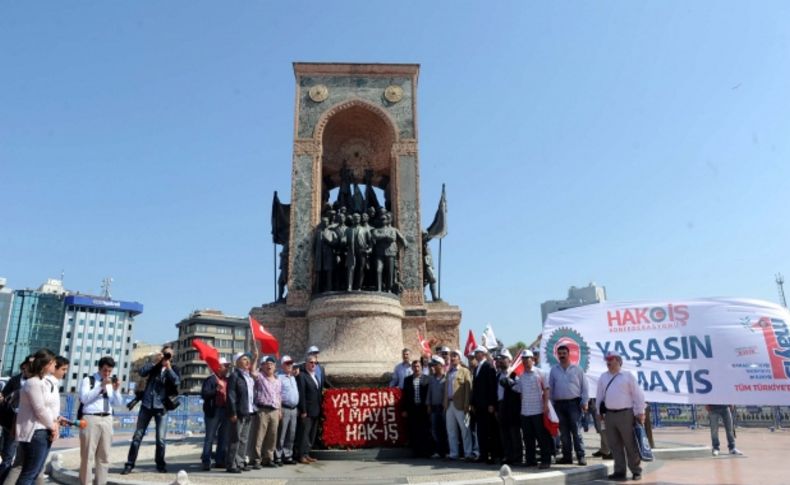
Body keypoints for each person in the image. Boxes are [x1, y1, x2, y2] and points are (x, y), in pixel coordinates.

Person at [122, 345, 180, 475]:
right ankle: (129, 464)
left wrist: (169, 368)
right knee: (137, 436)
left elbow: (176, 381)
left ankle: (160, 464)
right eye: (165, 353)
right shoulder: (155, 366)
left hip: (162, 407)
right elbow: (142, 372)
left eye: (169, 355)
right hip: (147, 405)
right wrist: (155, 361)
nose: (166, 356)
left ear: (173, 357)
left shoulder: (174, 368)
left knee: (160, 439)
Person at [596, 351, 645, 481]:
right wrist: (598, 413)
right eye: (607, 360)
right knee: (615, 445)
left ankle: (636, 470)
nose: (608, 362)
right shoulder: (603, 377)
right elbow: (599, 396)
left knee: (630, 444)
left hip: (626, 414)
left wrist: (640, 412)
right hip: (610, 415)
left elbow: (638, 395)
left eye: (610, 359)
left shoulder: (627, 375)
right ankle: (619, 471)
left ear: (618, 360)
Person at [15, 349, 59, 485]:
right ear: (46, 364)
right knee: (29, 473)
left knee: (35, 472)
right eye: (53, 362)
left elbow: (48, 407)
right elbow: (39, 409)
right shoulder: (33, 383)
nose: (55, 365)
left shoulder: (43, 382)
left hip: (43, 429)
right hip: (35, 431)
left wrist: (54, 423)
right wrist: (53, 426)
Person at [504, 350, 552, 469]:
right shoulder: (521, 376)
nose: (525, 361)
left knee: (541, 437)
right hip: (525, 411)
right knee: (528, 437)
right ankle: (531, 460)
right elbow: (519, 390)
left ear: (533, 360)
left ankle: (546, 460)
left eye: (527, 358)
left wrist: (546, 405)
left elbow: (546, 389)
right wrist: (509, 383)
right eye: (523, 359)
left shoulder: (540, 373)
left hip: (538, 410)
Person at [79, 356, 123, 485]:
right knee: (87, 456)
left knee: (104, 456)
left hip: (107, 418)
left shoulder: (109, 382)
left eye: (110, 371)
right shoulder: (89, 380)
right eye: (105, 370)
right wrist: (100, 387)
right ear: (99, 368)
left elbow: (117, 403)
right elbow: (84, 399)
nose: (107, 373)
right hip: (91, 418)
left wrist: (116, 390)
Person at [549, 344, 589, 466]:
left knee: (576, 431)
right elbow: (550, 388)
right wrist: (550, 405)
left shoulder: (577, 369)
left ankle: (581, 456)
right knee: (564, 433)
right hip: (559, 406)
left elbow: (585, 387)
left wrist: (585, 402)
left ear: (569, 354)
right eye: (559, 354)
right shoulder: (554, 370)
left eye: (564, 353)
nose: (561, 356)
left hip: (574, 404)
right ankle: (567, 457)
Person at [0, 357, 31, 483]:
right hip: (12, 421)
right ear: (24, 366)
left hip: (28, 423)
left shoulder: (38, 381)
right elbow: (3, 395)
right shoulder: (16, 380)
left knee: (25, 457)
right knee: (8, 455)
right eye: (28, 364)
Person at [250, 356, 282, 469]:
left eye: (272, 364)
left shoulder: (278, 381)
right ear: (263, 366)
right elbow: (252, 371)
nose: (269, 366)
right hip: (263, 410)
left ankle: (268, 458)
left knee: (272, 436)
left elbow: (279, 396)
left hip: (274, 410)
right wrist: (256, 357)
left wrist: (280, 410)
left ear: (275, 367)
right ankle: (256, 459)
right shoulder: (260, 377)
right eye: (267, 364)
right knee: (259, 436)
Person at [226, 352, 255, 473]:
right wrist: (232, 412)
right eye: (244, 359)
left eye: (248, 359)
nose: (247, 361)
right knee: (235, 439)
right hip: (238, 412)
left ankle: (241, 462)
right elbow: (231, 395)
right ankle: (232, 464)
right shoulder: (234, 376)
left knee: (244, 439)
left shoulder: (248, 376)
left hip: (248, 411)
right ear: (237, 362)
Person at [200, 357, 230, 471]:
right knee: (210, 437)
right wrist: (216, 389)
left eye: (227, 366)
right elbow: (204, 394)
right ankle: (206, 460)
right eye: (225, 366)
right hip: (213, 411)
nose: (227, 368)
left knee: (223, 437)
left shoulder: (227, 380)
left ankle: (220, 460)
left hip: (225, 410)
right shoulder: (211, 379)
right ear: (218, 367)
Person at [444, 349, 473, 460]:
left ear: (460, 358)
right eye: (451, 356)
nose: (452, 358)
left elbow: (468, 389)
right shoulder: (449, 372)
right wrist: (444, 404)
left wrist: (467, 404)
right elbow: (446, 390)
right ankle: (453, 453)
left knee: (465, 430)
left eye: (455, 356)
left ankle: (468, 453)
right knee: (451, 430)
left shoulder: (465, 371)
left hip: (461, 405)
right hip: (449, 405)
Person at [471, 346, 499, 464]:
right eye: (475, 353)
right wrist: (473, 403)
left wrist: (492, 403)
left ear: (483, 354)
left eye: (477, 353)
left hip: (487, 405)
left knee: (490, 431)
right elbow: (475, 387)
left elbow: (492, 386)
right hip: (479, 405)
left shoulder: (489, 366)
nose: (475, 355)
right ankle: (483, 455)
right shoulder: (477, 367)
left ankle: (493, 455)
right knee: (481, 432)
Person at [495, 351, 522, 466]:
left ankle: (517, 457)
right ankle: (508, 455)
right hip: (501, 406)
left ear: (510, 360)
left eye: (504, 358)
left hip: (512, 407)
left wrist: (510, 383)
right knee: (504, 433)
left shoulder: (515, 373)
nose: (501, 361)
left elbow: (518, 390)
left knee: (514, 432)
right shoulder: (498, 375)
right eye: (500, 359)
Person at [295, 355, 322, 464]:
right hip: (307, 411)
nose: (313, 364)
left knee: (311, 434)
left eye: (315, 363)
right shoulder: (302, 376)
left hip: (315, 410)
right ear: (306, 363)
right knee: (304, 433)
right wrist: (303, 410)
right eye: (311, 362)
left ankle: (307, 453)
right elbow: (302, 394)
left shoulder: (315, 376)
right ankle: (301, 455)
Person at [401, 360, 431, 458]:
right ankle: (416, 452)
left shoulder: (427, 379)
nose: (416, 368)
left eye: (418, 366)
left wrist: (429, 407)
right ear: (412, 368)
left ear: (421, 367)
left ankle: (426, 451)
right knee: (414, 430)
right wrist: (404, 409)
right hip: (412, 409)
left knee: (425, 430)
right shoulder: (407, 380)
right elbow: (404, 395)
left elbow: (429, 394)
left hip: (423, 408)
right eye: (414, 367)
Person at [276, 355, 299, 465]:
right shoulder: (279, 377)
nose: (290, 365)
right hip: (284, 408)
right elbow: (278, 395)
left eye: (291, 363)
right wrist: (279, 410)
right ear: (282, 365)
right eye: (287, 363)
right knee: (282, 433)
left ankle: (288, 455)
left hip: (294, 409)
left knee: (291, 433)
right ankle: (279, 455)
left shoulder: (293, 377)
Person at [425, 356, 448, 458]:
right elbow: (429, 392)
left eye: (435, 365)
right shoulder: (432, 378)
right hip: (434, 408)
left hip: (443, 408)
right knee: (435, 430)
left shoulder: (446, 378)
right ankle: (438, 451)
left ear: (441, 365)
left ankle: (446, 451)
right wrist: (428, 404)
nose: (433, 367)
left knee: (445, 430)